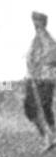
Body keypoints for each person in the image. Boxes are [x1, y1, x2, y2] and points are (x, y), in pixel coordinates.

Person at [24, 11, 56, 148]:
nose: (35, 24)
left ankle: (52, 136)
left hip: (45, 79)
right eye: (34, 21)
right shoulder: (35, 40)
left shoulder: (48, 40)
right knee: (29, 110)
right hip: (32, 79)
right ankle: (47, 137)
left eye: (38, 21)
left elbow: (52, 57)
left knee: (45, 107)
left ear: (43, 23)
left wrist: (39, 65)